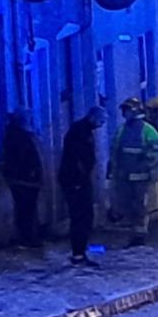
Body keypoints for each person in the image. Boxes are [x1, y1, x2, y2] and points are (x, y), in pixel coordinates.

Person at [109, 97, 158, 247]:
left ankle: (140, 234)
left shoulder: (147, 129)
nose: (124, 113)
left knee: (140, 205)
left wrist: (146, 162)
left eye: (126, 110)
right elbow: (115, 151)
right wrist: (114, 169)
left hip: (141, 176)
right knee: (127, 204)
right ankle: (134, 232)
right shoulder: (122, 129)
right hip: (125, 176)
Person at [59, 106, 106, 267]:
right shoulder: (80, 132)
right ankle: (78, 253)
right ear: (93, 117)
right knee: (81, 216)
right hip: (75, 181)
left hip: (78, 180)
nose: (101, 125)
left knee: (85, 216)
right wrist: (78, 181)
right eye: (101, 121)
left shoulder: (83, 130)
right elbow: (75, 159)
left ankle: (81, 250)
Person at [1, 110, 44, 248]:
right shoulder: (18, 136)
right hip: (24, 180)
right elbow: (22, 158)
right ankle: (26, 237)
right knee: (26, 209)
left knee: (27, 209)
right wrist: (31, 173)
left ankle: (29, 236)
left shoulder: (18, 134)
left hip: (26, 179)